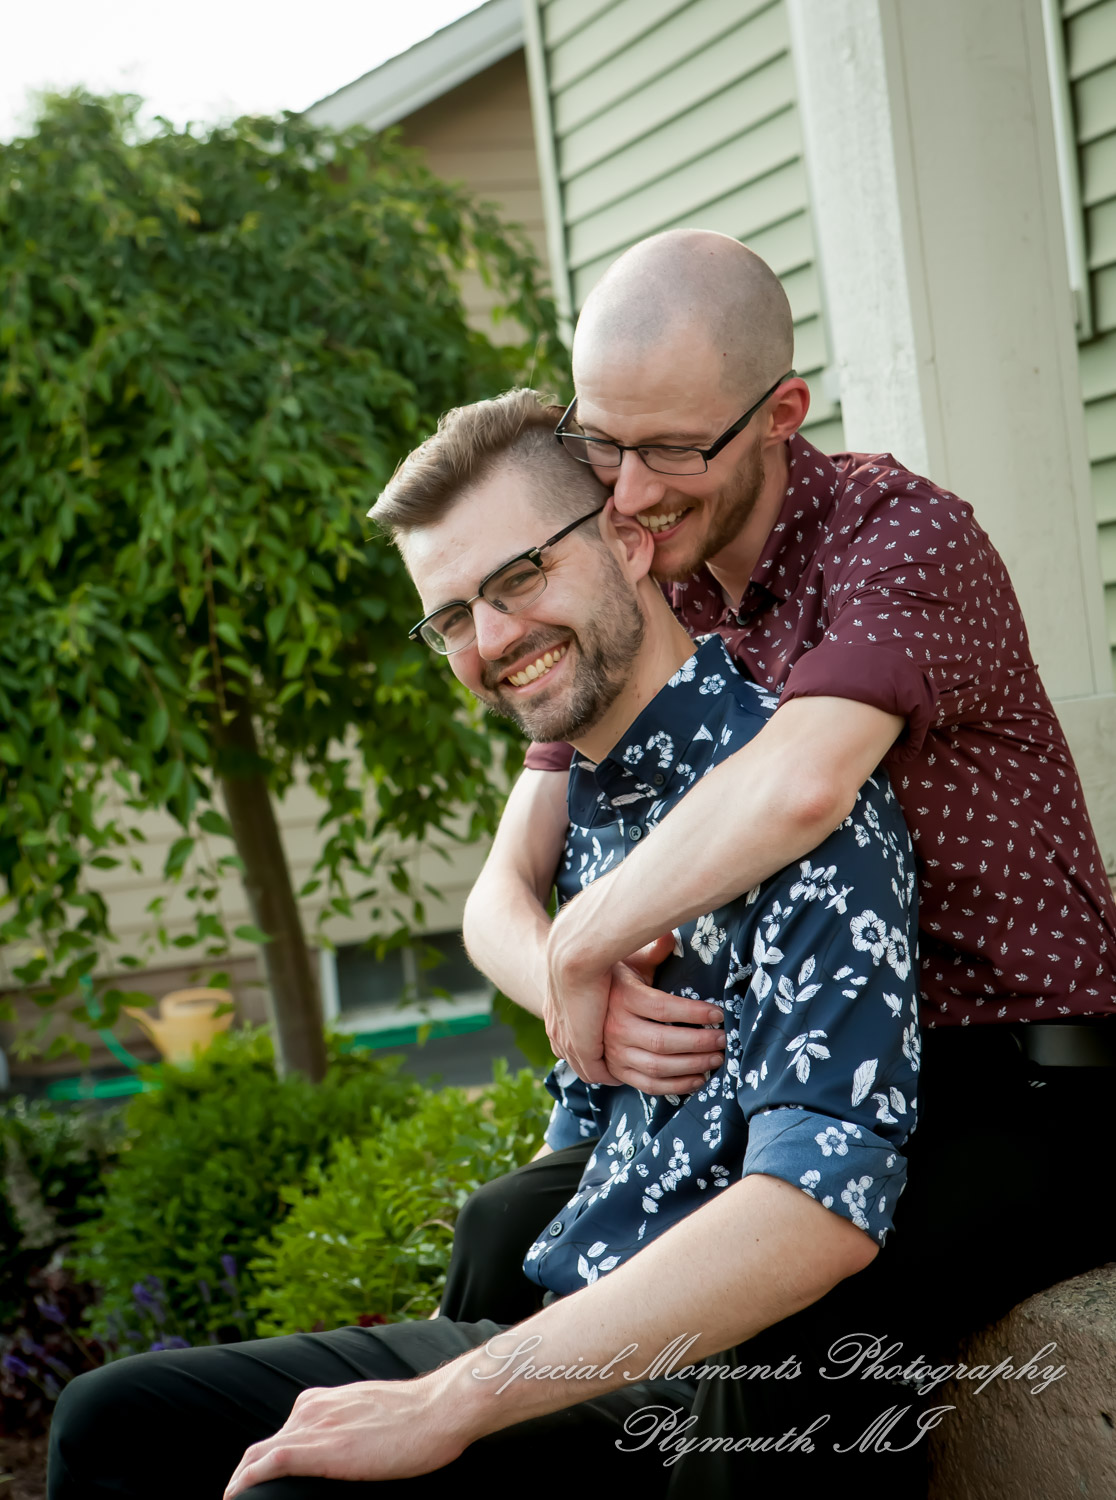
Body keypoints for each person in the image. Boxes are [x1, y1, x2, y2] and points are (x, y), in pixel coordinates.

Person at [49, 391, 929, 1499]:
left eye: (519, 578)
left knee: (291, 1493)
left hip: (688, 1389)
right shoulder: (589, 804)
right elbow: (579, 1131)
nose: (493, 640)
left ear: (627, 537)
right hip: (548, 1328)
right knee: (110, 1420)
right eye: (454, 617)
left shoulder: (795, 804)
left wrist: (446, 1402)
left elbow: (821, 1209)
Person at [445, 227, 1116, 1332]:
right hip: (774, 1084)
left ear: (781, 414)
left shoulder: (902, 538)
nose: (627, 492)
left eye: (672, 450)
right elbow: (502, 883)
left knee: (777, 1310)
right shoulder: (654, 577)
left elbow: (802, 786)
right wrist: (590, 1003)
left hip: (1006, 1078)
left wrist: (583, 941)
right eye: (601, 442)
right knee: (497, 1232)